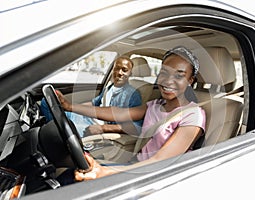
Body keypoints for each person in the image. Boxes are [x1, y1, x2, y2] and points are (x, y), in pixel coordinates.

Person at [56, 46, 206, 181]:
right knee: (68, 175)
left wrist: (104, 172)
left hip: (155, 177)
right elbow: (117, 113)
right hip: (135, 166)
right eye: (164, 73)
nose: (168, 81)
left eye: (179, 76)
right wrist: (70, 107)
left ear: (190, 80)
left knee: (72, 181)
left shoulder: (193, 115)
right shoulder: (154, 105)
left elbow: (159, 162)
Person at [40, 56, 143, 137]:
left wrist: (103, 128)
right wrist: (73, 108)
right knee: (46, 102)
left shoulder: (133, 95)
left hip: (97, 127)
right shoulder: (110, 87)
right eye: (116, 68)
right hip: (88, 118)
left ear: (130, 73)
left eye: (124, 70)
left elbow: (136, 127)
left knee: (60, 129)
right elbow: (94, 103)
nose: (119, 73)